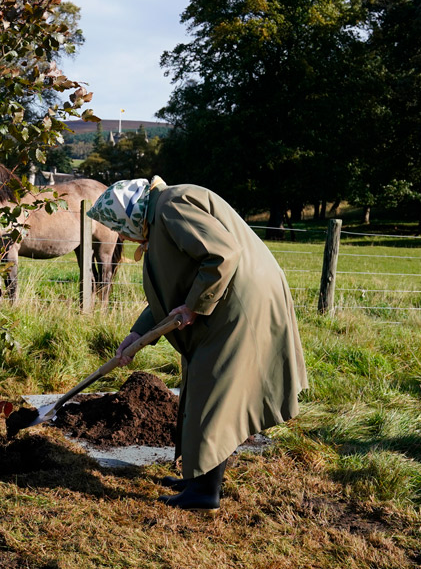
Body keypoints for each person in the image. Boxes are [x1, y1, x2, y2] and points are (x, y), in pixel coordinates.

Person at [88, 176, 307, 511]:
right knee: (200, 381)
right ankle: (196, 476)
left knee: (212, 389)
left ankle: (204, 493)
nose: (120, 236)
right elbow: (170, 292)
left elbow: (222, 255)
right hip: (225, 304)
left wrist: (194, 306)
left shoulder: (172, 205)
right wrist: (136, 334)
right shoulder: (161, 216)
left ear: (130, 215)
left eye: (119, 227)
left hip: (240, 304)